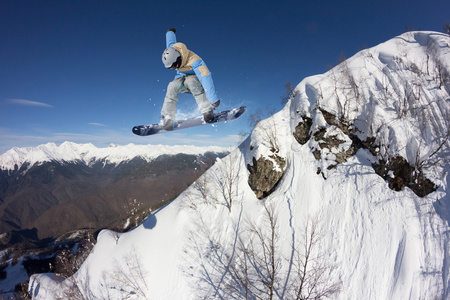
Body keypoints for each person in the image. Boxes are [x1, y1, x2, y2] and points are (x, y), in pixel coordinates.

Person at [161, 28, 220, 130]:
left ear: (178, 59)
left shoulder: (195, 62)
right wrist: (170, 32)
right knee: (171, 86)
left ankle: (207, 110)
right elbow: (170, 42)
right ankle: (168, 118)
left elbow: (205, 77)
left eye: (174, 66)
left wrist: (213, 99)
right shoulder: (172, 51)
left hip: (198, 83)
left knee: (191, 81)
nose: (174, 68)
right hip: (182, 78)